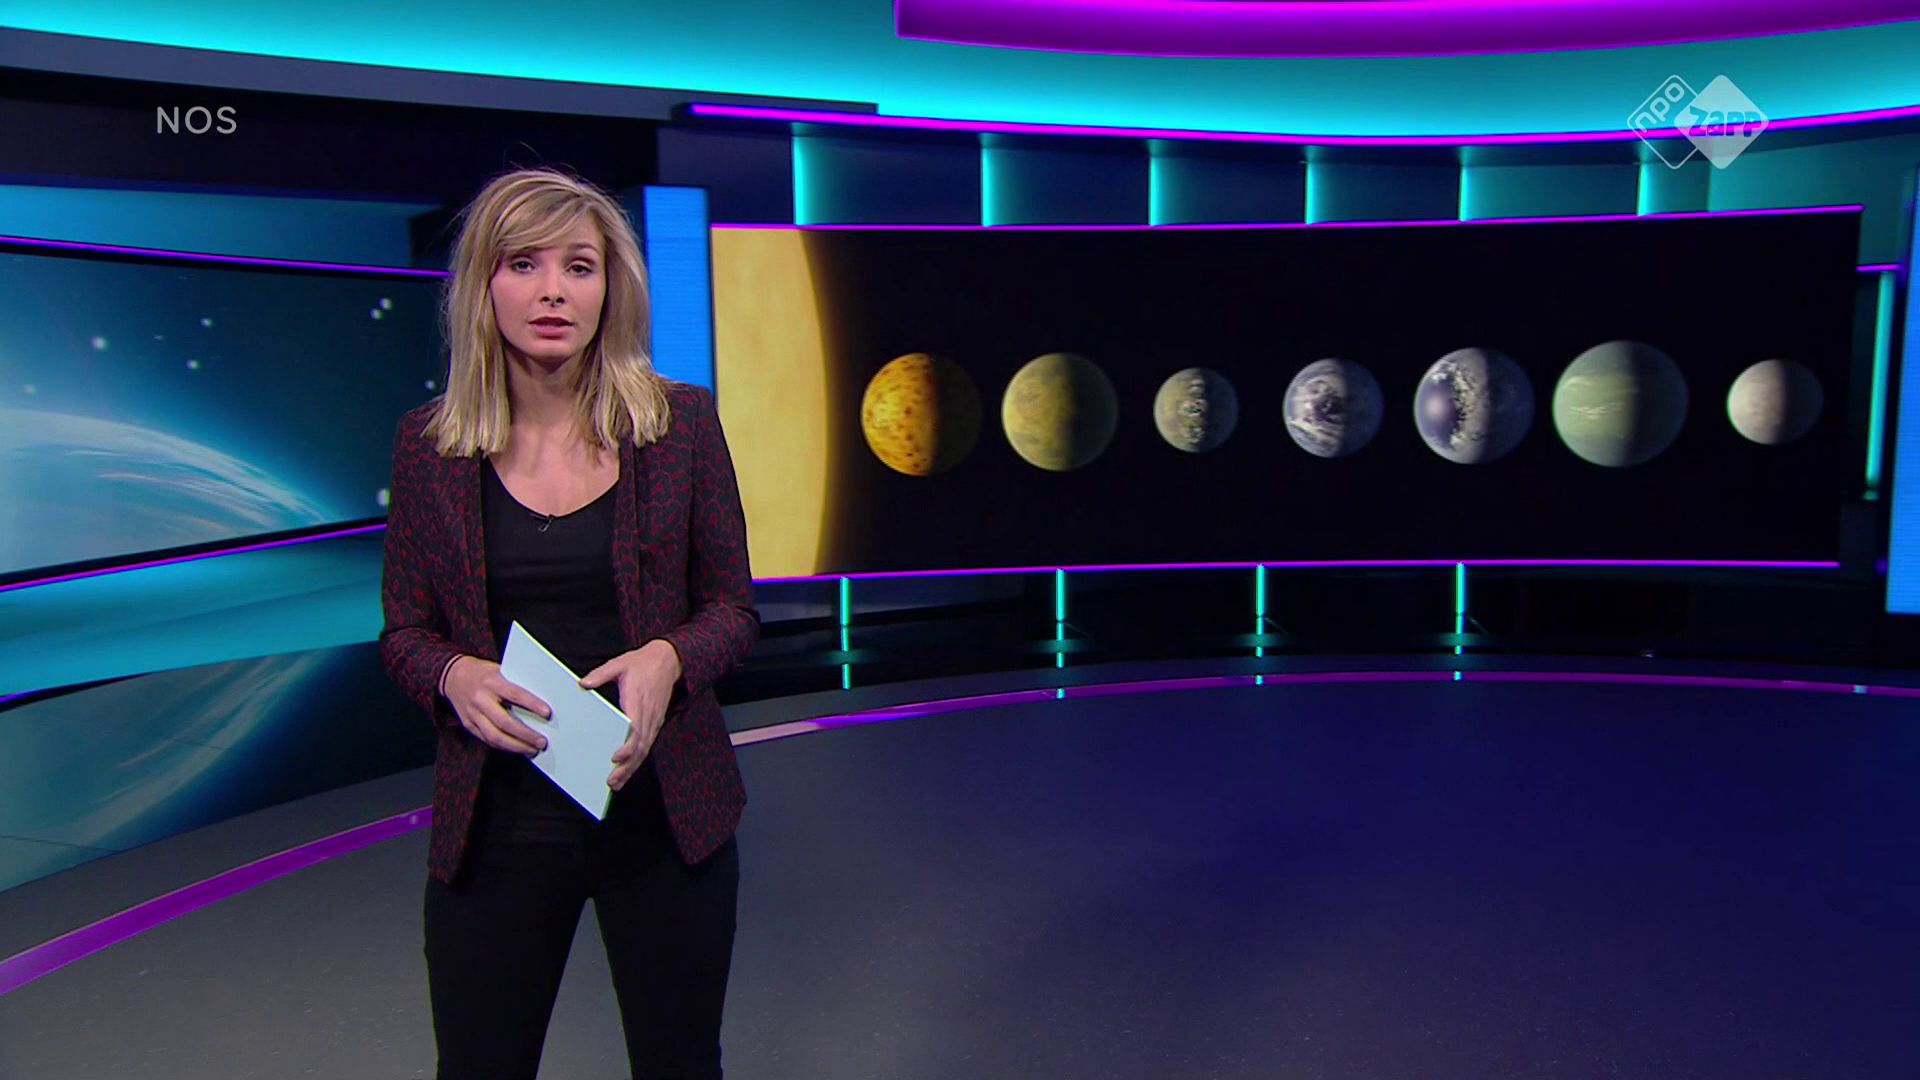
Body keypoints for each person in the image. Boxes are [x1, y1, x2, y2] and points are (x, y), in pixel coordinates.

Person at [378, 166, 758, 1080]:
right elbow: (404, 632)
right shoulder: (429, 446)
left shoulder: (680, 426)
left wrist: (669, 658)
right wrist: (451, 675)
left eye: (579, 267)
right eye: (524, 264)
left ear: (610, 289)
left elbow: (733, 609)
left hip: (663, 819)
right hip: (500, 826)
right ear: (484, 285)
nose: (553, 290)